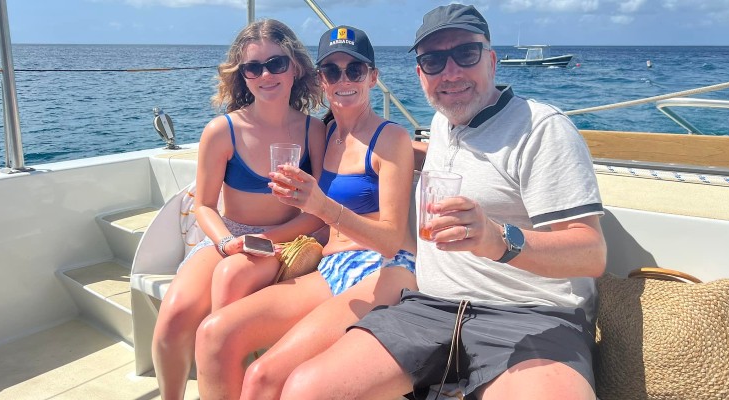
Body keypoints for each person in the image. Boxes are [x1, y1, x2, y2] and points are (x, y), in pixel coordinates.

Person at [280, 4, 608, 400]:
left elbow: (591, 253)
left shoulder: (542, 129)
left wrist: (499, 240)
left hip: (530, 315)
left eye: (465, 54)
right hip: (431, 308)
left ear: (491, 60)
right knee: (304, 389)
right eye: (433, 61)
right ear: (420, 74)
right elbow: (433, 154)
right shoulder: (443, 124)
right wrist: (393, 155)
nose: (450, 73)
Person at [194, 25, 417, 399]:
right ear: (321, 81)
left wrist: (321, 205)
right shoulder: (327, 134)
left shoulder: (391, 138)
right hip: (331, 266)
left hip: (382, 268)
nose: (343, 79)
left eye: (355, 70)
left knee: (264, 377)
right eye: (332, 71)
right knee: (214, 334)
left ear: (373, 77)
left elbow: (392, 238)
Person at [151, 19, 327, 400]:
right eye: (253, 67)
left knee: (225, 320)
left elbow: (317, 213)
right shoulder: (222, 130)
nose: (266, 74)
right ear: (242, 76)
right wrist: (230, 241)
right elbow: (203, 206)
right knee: (172, 319)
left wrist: (261, 240)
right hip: (229, 236)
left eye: (276, 63)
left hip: (286, 239)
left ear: (295, 67)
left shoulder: (314, 132)